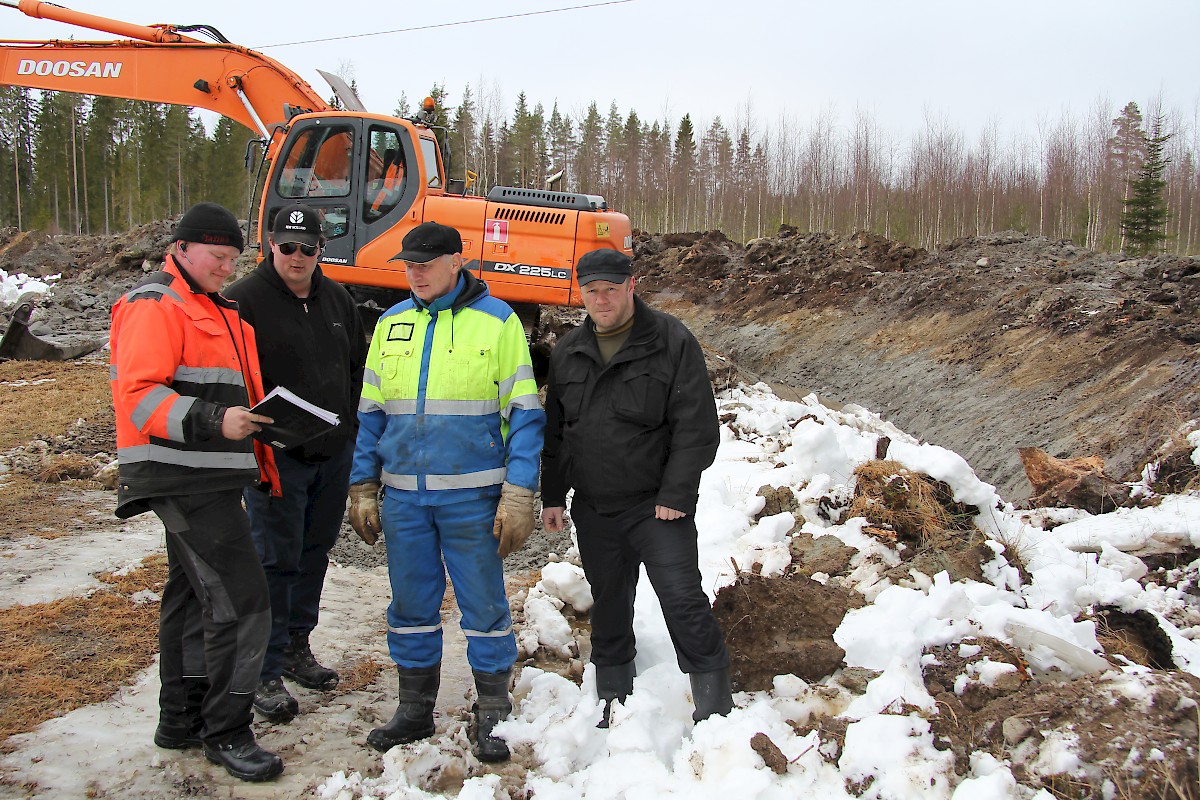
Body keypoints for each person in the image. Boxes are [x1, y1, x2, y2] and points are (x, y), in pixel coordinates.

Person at [346, 221, 544, 762]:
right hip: (406, 498)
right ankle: (414, 710)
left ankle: (493, 711)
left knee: (483, 606)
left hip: (472, 498)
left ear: (456, 262)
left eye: (426, 263)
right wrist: (362, 484)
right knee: (410, 606)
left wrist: (520, 492)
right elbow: (371, 414)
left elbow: (525, 414)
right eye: (408, 264)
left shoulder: (498, 323)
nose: (415, 272)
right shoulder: (391, 323)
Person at [109, 202, 285, 782]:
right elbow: (139, 394)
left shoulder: (213, 308)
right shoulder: (155, 304)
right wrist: (216, 421)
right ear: (181, 249)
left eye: (233, 259)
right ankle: (227, 729)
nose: (225, 268)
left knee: (192, 596)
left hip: (210, 473)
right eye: (217, 257)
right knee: (241, 598)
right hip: (181, 475)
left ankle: (180, 717)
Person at [540, 248, 734, 727]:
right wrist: (551, 495)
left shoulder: (670, 341)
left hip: (656, 508)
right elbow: (558, 434)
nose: (600, 300)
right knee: (608, 603)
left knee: (683, 599)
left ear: (631, 285)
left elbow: (696, 428)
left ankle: (714, 706)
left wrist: (676, 495)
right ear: (579, 291)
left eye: (610, 289)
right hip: (594, 508)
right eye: (591, 291)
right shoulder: (568, 351)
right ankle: (613, 695)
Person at [224, 204, 367, 723]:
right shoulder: (242, 301)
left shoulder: (337, 299)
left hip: (330, 454)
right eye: (288, 247)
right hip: (274, 455)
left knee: (314, 552)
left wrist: (349, 430)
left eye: (309, 248)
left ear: (320, 250)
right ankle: (261, 671)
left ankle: (295, 647)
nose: (298, 257)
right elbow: (227, 377)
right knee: (273, 561)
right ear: (271, 245)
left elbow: (355, 367)